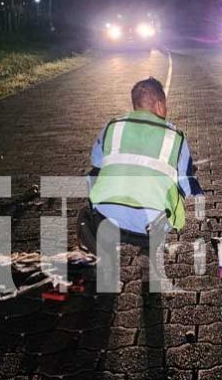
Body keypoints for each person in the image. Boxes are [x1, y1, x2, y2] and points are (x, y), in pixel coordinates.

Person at [82, 78, 202, 284]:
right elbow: (187, 187)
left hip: (107, 217)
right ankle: (151, 246)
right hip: (151, 222)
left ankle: (99, 241)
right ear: (159, 105)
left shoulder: (112, 127)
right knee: (178, 187)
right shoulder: (175, 137)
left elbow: (96, 163)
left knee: (95, 175)